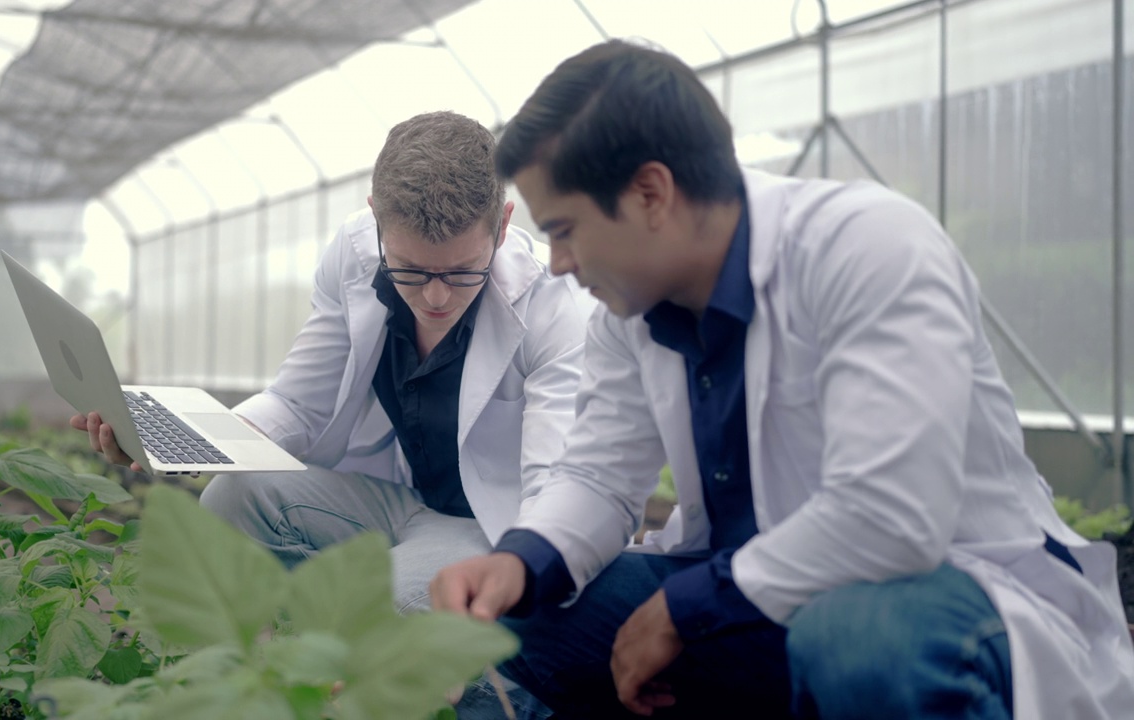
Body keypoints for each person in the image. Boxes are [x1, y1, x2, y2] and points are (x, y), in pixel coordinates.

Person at [430, 40, 1134, 719]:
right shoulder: (631, 312)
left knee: (861, 642)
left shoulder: (868, 246)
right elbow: (597, 476)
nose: (556, 263)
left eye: (565, 230)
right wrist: (517, 566)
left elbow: (893, 515)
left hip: (935, 598)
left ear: (650, 193)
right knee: (525, 617)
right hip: (755, 601)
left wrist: (685, 604)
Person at [74, 110, 585, 717]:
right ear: (376, 219)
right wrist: (179, 441)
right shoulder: (353, 254)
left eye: (460, 272)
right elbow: (297, 403)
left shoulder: (558, 308)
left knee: (386, 600)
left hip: (492, 526)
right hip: (398, 498)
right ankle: (252, 687)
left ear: (501, 226)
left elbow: (558, 493)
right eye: (412, 272)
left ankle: (474, 686)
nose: (436, 296)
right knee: (229, 502)